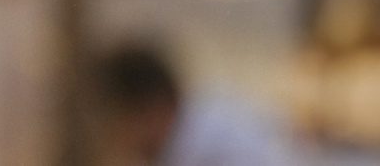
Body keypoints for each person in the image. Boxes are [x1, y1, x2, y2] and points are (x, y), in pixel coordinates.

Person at [96, 45, 292, 166]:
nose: (114, 136)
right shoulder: (169, 147)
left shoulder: (225, 142)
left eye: (117, 121)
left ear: (152, 109)